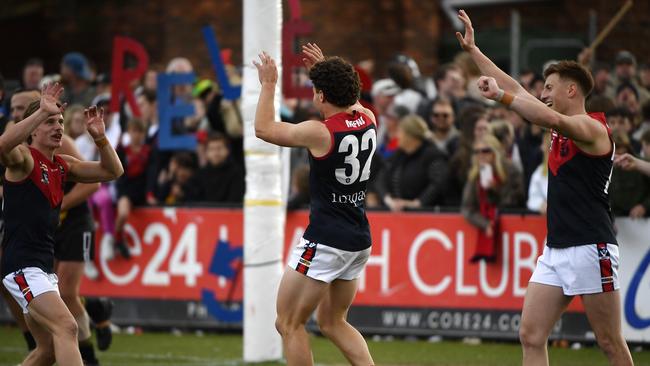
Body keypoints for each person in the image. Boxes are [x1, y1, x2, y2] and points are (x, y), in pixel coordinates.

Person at [457, 9, 633, 366]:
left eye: (549, 87)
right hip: (557, 249)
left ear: (572, 89)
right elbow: (516, 88)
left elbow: (542, 112)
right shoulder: (559, 123)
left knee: (609, 341)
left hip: (590, 246)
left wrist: (502, 100)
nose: (543, 93)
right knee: (531, 335)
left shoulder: (592, 128)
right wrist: (474, 52)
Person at [253, 44, 375, 365]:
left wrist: (268, 85)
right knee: (333, 322)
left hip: (325, 241)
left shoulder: (320, 132)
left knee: (288, 322)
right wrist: (325, 70)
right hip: (358, 239)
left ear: (321, 96)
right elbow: (350, 98)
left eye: (314, 90)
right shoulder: (368, 118)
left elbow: (264, 129)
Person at [0, 83, 123, 366]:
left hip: (42, 268)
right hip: (22, 267)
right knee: (68, 328)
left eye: (61, 122)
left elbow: (113, 171)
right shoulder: (24, 159)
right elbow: (2, 145)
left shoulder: (62, 165)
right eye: (49, 122)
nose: (58, 127)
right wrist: (39, 111)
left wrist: (101, 139)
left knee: (48, 351)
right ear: (33, 130)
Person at [461, 134, 524, 262]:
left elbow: (518, 199)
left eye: (485, 150)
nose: (481, 155)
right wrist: (485, 224)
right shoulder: (474, 176)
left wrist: (495, 190)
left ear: (495, 151)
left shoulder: (511, 170)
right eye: (477, 152)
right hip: (489, 226)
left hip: (512, 230)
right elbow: (467, 208)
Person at [377, 114, 448, 211]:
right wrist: (389, 200)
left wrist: (418, 203)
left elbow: (439, 183)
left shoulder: (432, 155)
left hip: (428, 215)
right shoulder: (399, 155)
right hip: (399, 214)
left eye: (400, 132)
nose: (397, 136)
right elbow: (381, 177)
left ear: (410, 135)